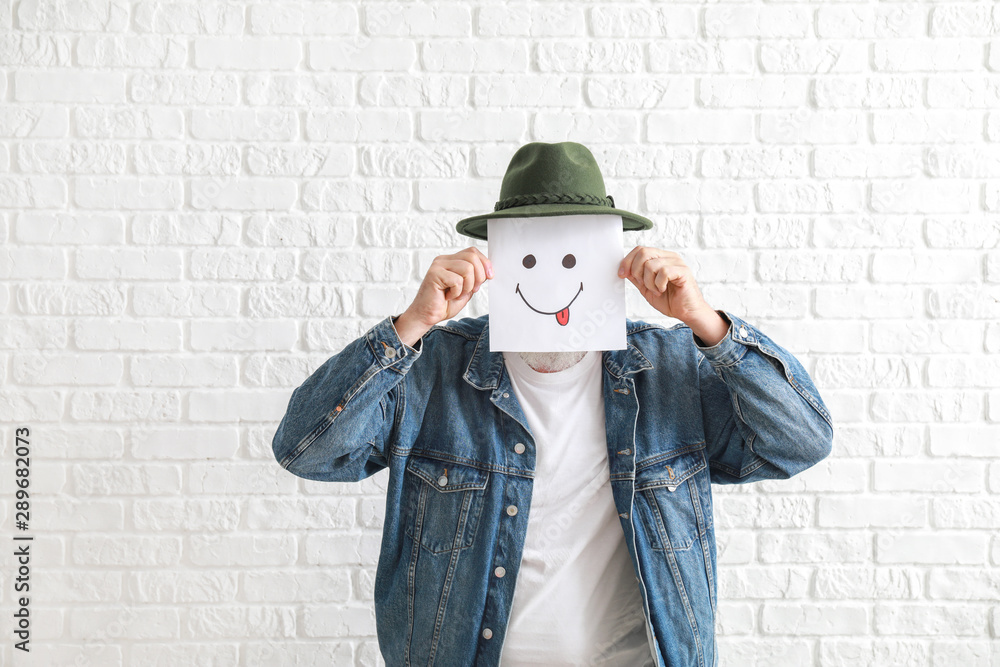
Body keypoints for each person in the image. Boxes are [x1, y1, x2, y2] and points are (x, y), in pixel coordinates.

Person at [271, 142, 834, 666]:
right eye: (530, 258)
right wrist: (408, 327)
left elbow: (799, 441)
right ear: (498, 261)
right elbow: (307, 451)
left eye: (571, 258)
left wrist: (706, 323)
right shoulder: (431, 371)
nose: (549, 280)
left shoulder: (671, 370)